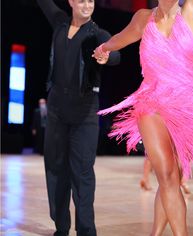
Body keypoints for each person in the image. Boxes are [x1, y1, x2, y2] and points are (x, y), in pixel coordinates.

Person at [93, 0, 193, 235]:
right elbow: (122, 36)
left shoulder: (192, 10)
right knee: (168, 175)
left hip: (187, 109)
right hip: (151, 103)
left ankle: (155, 233)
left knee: (173, 177)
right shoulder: (143, 18)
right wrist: (104, 48)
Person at [36, 0, 120, 235]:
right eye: (81, 0)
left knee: (83, 173)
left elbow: (115, 53)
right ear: (71, 1)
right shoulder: (60, 22)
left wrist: (107, 57)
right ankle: (61, 228)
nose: (87, 5)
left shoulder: (98, 33)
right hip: (56, 111)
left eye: (91, 1)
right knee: (55, 170)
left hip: (84, 112)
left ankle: (86, 230)